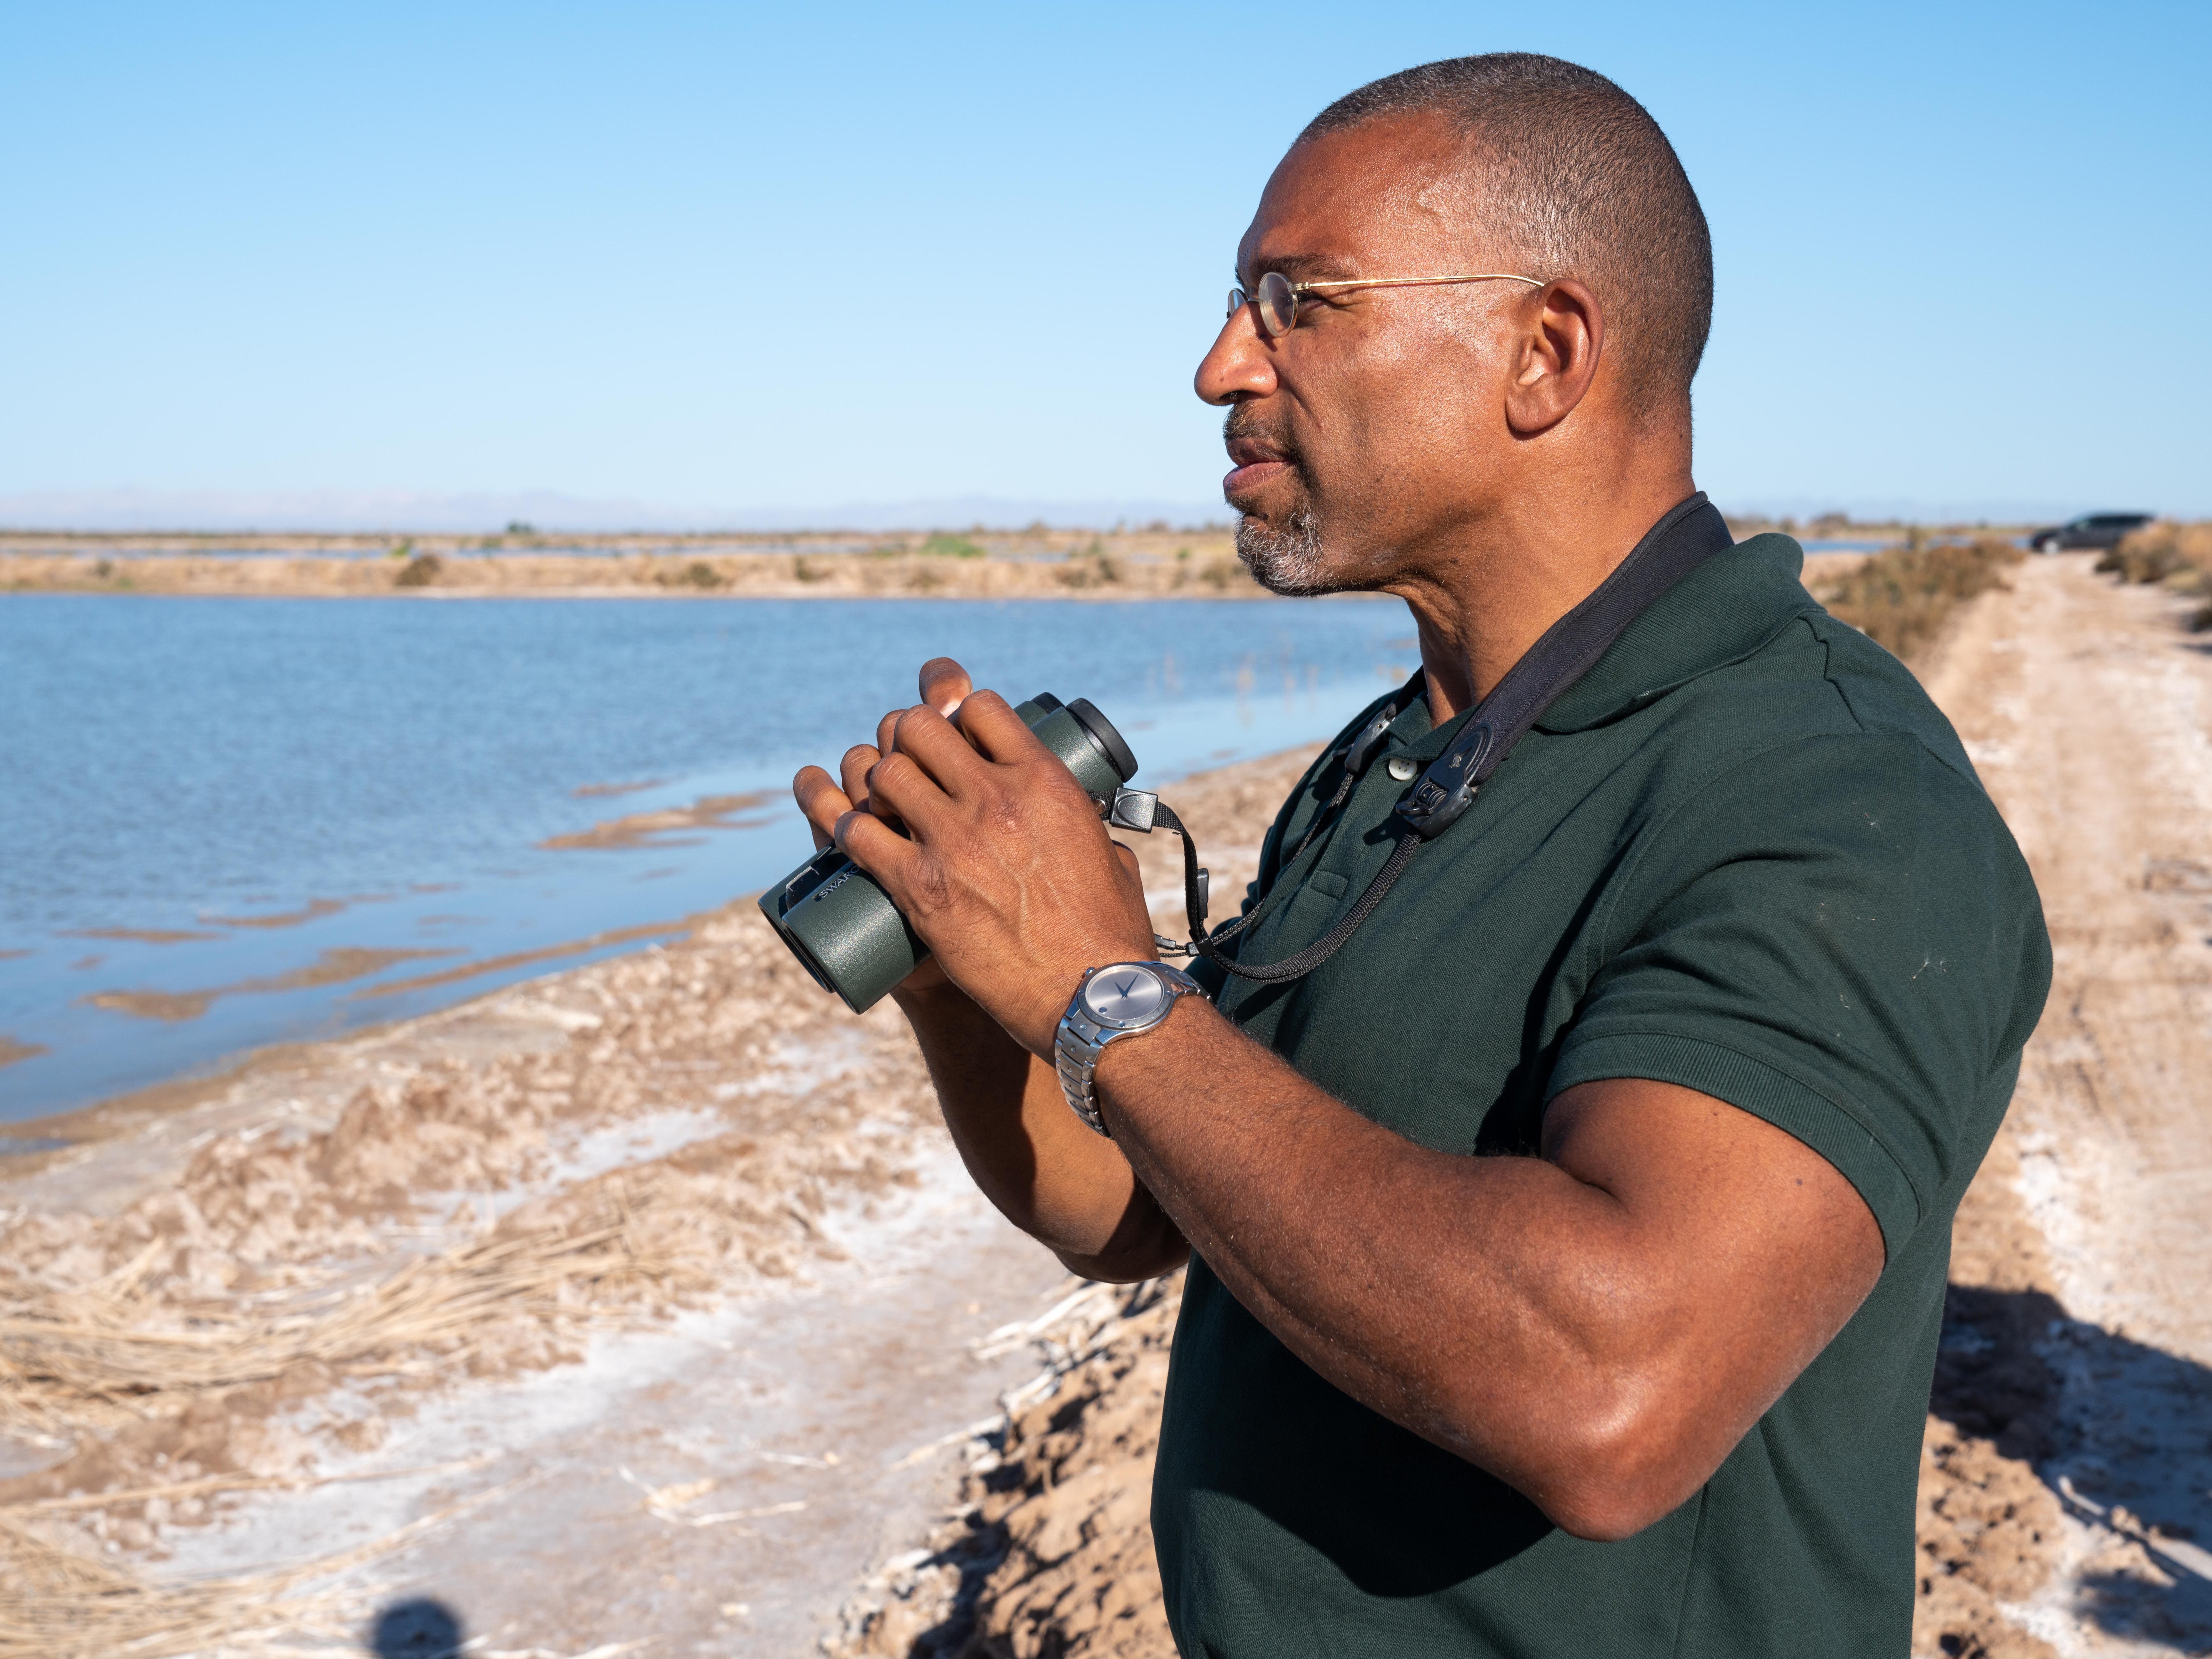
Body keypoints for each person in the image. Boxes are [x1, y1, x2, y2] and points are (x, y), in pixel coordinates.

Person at [790, 52, 2050, 1659]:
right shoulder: (1414, 749)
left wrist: (1105, 985)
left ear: (1545, 353)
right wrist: (975, 962)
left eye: (1296, 301)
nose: (1214, 366)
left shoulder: (1835, 804)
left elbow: (1612, 1389)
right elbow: (1135, 1204)